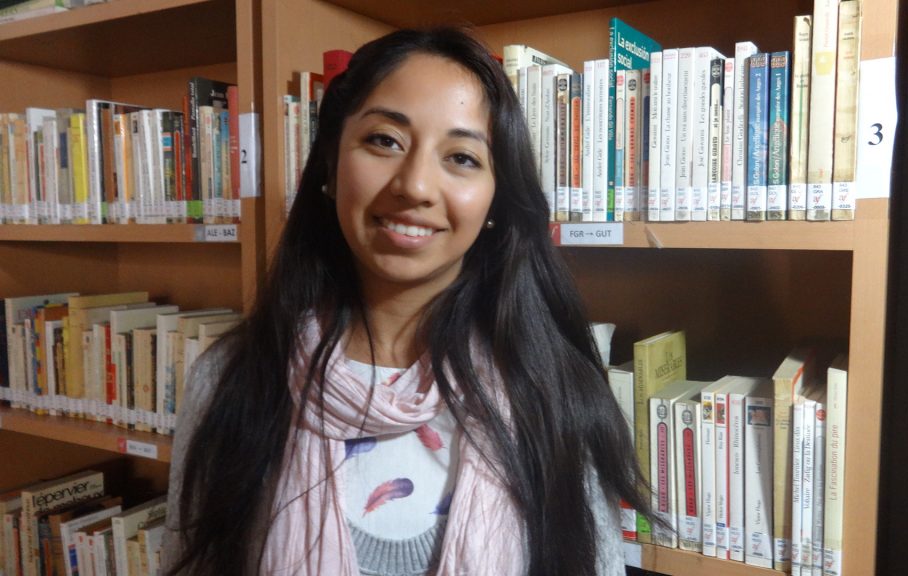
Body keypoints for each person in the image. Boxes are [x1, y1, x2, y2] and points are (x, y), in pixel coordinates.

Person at [163, 27, 653, 576]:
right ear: (330, 166)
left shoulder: (551, 391)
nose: (415, 186)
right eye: (385, 141)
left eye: (462, 157)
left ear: (496, 201)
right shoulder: (230, 381)